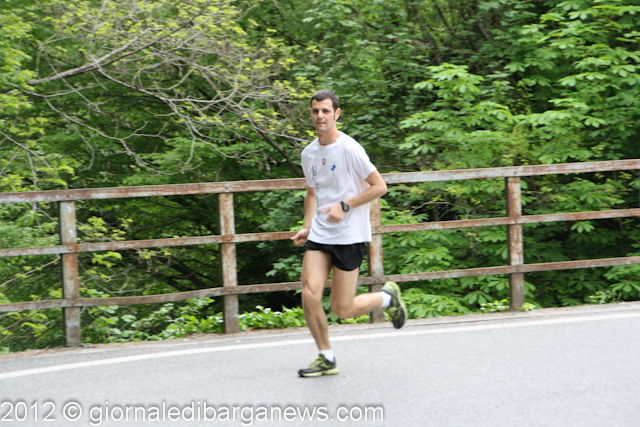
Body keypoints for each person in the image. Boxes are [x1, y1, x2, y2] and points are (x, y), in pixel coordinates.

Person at [291, 89, 407, 378]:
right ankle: (326, 357)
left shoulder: (350, 149)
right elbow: (311, 193)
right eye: (315, 111)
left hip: (349, 236)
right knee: (310, 295)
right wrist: (307, 225)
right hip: (320, 235)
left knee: (342, 309)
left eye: (325, 111)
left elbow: (380, 186)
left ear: (337, 114)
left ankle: (387, 299)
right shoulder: (309, 153)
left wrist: (345, 205)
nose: (320, 116)